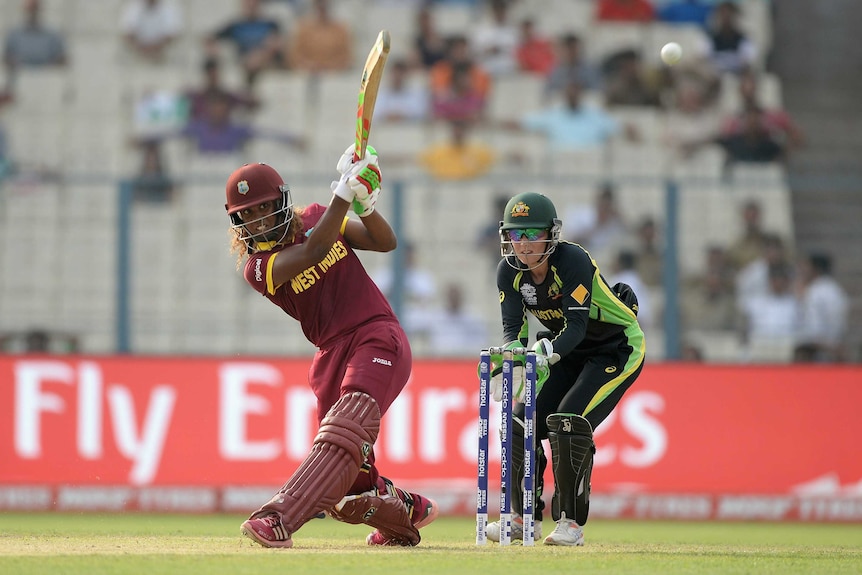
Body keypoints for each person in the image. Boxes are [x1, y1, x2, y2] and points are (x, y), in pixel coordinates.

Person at [226, 146, 438, 548]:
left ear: (282, 201)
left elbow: (384, 241)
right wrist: (343, 194)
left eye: (262, 208)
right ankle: (405, 510)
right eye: (246, 216)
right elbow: (312, 252)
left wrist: (364, 203)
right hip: (330, 354)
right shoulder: (257, 267)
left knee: (344, 430)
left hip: (376, 334)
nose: (255, 222)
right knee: (349, 488)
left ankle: (278, 518)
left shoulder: (316, 217)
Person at [484, 191, 645, 546]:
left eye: (531, 234)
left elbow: (576, 328)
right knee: (517, 422)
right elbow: (515, 333)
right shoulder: (509, 273)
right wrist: (509, 362)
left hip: (614, 348)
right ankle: (521, 517)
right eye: (515, 235)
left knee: (567, 422)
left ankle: (570, 523)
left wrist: (545, 352)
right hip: (565, 352)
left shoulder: (572, 260)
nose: (522, 245)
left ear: (550, 234)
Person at [288, 0, 353, 73]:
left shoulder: (340, 29)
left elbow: (346, 57)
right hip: (307, 74)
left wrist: (330, 66)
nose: (322, 7)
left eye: (325, 4)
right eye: (319, 3)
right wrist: (309, 66)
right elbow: (295, 56)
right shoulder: (303, 28)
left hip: (336, 75)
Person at [119, 0, 184, 64]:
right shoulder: (134, 7)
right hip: (138, 55)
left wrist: (155, 48)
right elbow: (127, 33)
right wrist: (142, 49)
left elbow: (172, 34)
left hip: (162, 56)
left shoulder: (169, 7)